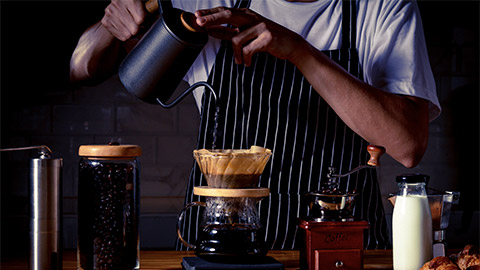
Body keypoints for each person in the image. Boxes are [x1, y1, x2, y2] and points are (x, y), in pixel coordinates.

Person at [70, 0, 441, 250]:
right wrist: (112, 22)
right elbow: (82, 67)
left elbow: (407, 145)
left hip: (338, 245)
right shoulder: (210, 3)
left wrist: (298, 51)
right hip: (216, 246)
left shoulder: (381, 8)